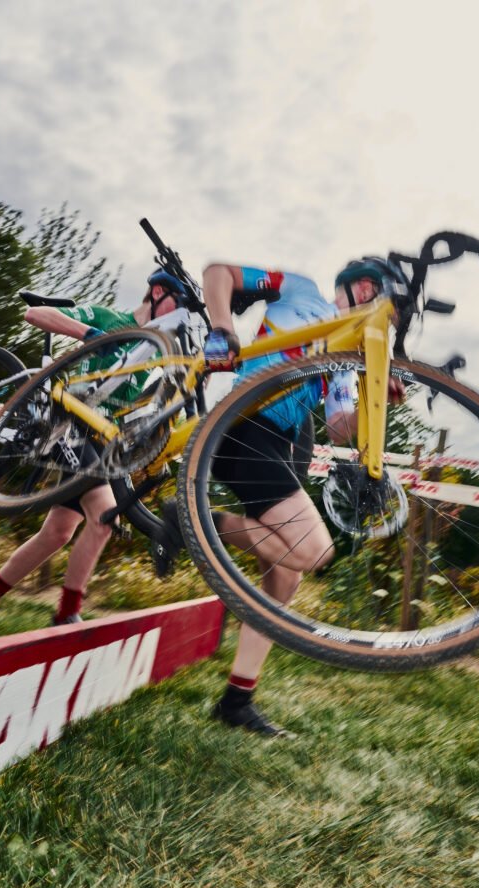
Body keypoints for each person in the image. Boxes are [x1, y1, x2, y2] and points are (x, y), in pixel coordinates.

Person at [153, 257, 405, 737]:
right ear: (364, 288)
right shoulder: (302, 291)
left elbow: (340, 427)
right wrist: (223, 329)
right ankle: (191, 520)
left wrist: (378, 399)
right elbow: (218, 273)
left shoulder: (345, 361)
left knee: (285, 578)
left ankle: (237, 700)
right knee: (313, 550)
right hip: (241, 419)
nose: (386, 323)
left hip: (272, 443)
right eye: (385, 308)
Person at [0, 269, 188, 636]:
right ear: (158, 292)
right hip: (66, 422)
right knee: (103, 517)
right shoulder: (110, 319)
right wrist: (90, 334)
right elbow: (34, 314)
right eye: (180, 303)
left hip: (98, 438)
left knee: (58, 532)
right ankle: (67, 613)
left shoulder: (155, 348)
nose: (181, 314)